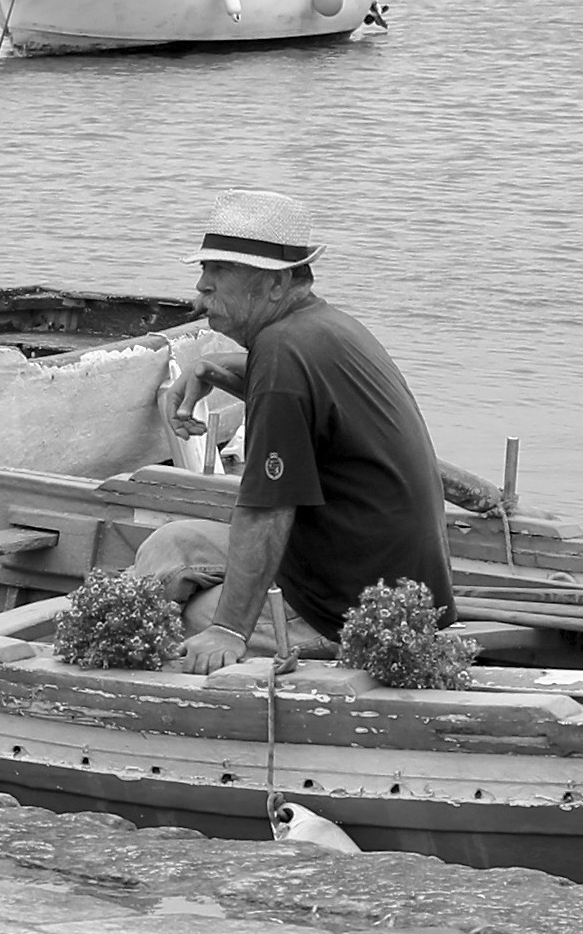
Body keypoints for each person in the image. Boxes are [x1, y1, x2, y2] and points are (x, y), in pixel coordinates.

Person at [169, 191, 477, 675]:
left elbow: (267, 511)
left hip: (347, 616)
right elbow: (304, 396)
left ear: (274, 284)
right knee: (173, 544)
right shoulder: (323, 327)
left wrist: (228, 631)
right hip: (401, 588)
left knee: (182, 613)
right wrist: (216, 368)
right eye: (206, 268)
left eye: (221, 271)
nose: (201, 285)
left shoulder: (282, 355)